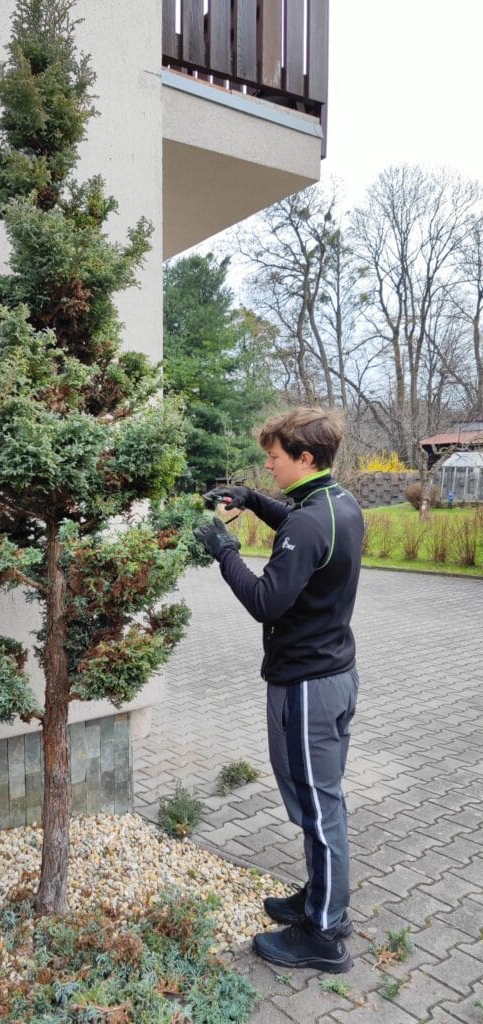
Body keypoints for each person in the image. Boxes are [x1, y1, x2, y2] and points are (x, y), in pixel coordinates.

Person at [194, 407, 364, 975]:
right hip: (334, 676)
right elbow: (295, 519)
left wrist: (223, 548)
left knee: (319, 808)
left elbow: (266, 600)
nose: (268, 463)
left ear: (305, 458)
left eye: (274, 456)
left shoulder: (310, 523)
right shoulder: (339, 504)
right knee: (322, 801)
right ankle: (318, 899)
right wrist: (251, 497)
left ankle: (325, 932)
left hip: (307, 687)